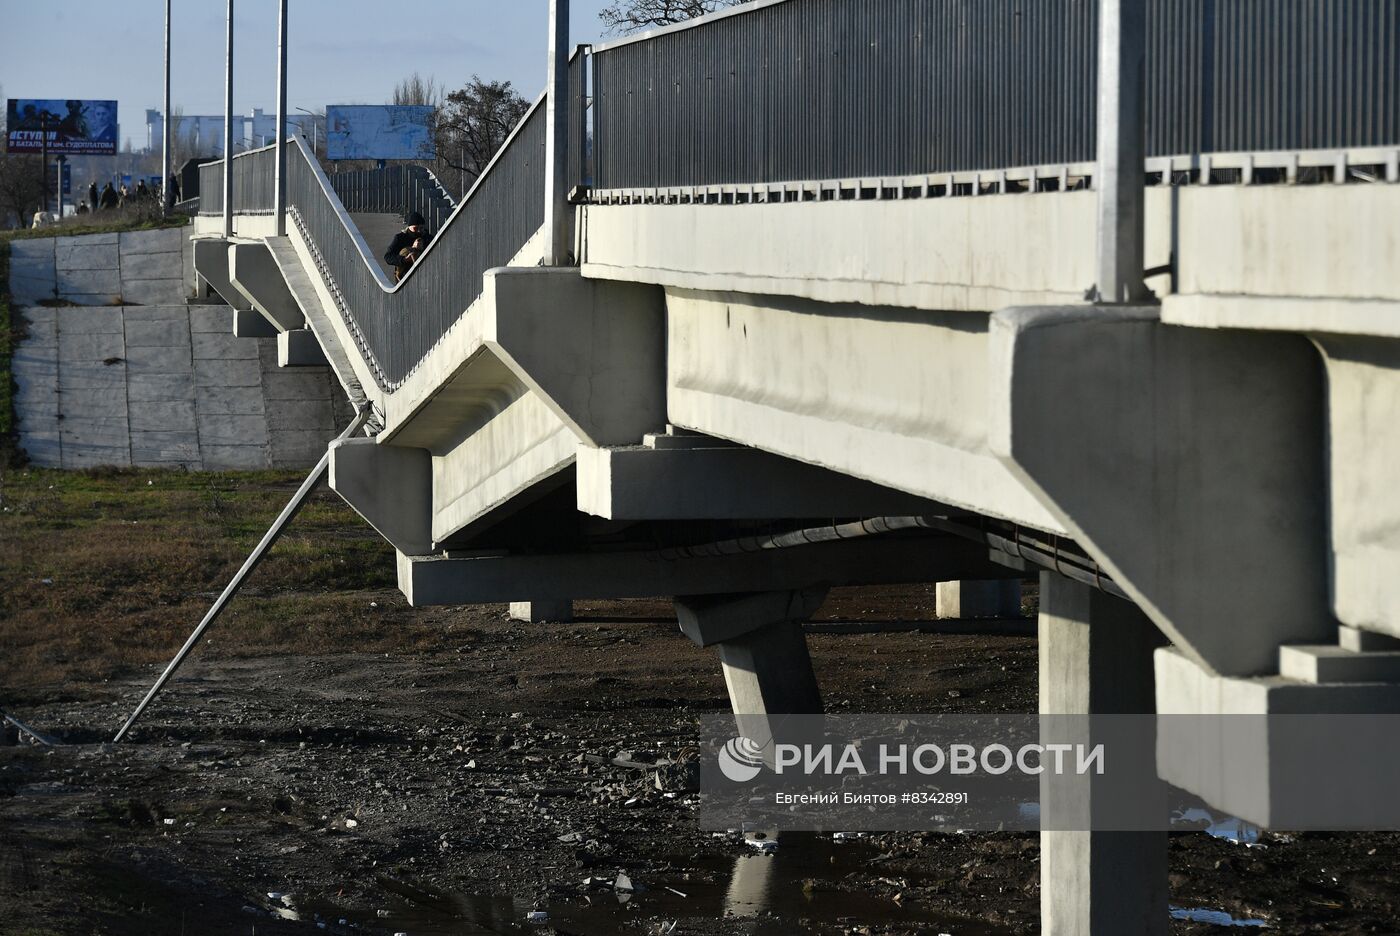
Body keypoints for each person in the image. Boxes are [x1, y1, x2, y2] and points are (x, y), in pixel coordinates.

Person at [383, 211, 431, 282]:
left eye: (421, 228)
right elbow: (388, 257)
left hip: (425, 277)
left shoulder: (428, 238)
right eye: (415, 228)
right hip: (404, 279)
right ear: (409, 227)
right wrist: (404, 259)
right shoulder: (400, 238)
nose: (418, 231)